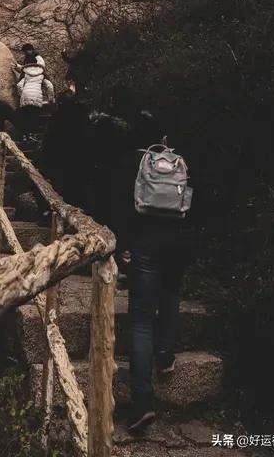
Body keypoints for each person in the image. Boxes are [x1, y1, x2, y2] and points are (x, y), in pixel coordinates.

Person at [116, 137, 194, 434]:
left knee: (141, 321)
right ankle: (164, 356)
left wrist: (124, 245)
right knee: (171, 294)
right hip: (178, 243)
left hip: (145, 243)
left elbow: (123, 204)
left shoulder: (136, 162)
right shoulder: (182, 163)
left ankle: (143, 403)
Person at [40, 89, 90, 207]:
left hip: (62, 158)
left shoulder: (58, 117)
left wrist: (45, 161)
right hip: (79, 157)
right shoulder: (83, 115)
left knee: (63, 189)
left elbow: (50, 139)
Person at [16, 55, 55, 140]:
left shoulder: (25, 73)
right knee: (34, 117)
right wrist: (50, 98)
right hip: (36, 97)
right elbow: (50, 86)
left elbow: (19, 85)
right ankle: (32, 135)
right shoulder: (42, 73)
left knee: (25, 116)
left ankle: (24, 136)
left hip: (25, 95)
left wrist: (22, 94)